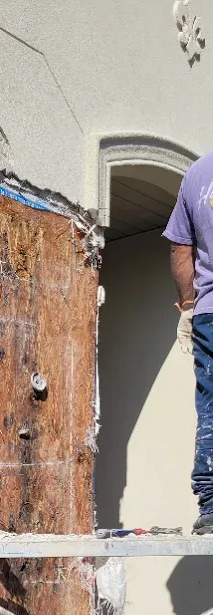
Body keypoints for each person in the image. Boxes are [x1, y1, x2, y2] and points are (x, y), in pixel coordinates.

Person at [164, 154, 213, 535]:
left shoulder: (197, 173)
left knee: (211, 404)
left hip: (209, 313)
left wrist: (190, 306)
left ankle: (212, 507)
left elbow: (182, 248)